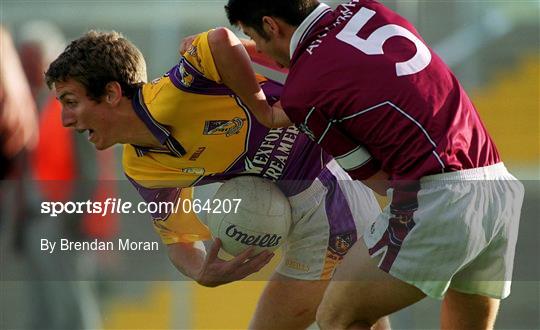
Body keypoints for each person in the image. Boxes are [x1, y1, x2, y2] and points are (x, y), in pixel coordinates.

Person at [45, 29, 389, 329]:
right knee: (354, 319)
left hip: (329, 197)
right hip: (310, 210)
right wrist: (202, 272)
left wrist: (264, 111)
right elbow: (179, 240)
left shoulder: (171, 96)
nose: (65, 119)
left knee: (337, 319)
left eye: (71, 102)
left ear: (111, 94)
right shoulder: (140, 166)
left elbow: (219, 41)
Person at [225, 0, 525, 329]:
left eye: (254, 36)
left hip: (441, 200)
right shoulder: (365, 9)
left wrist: (231, 69)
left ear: (270, 26)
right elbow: (332, 65)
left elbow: (380, 181)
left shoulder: (302, 96)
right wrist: (242, 50)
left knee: (338, 316)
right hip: (497, 186)